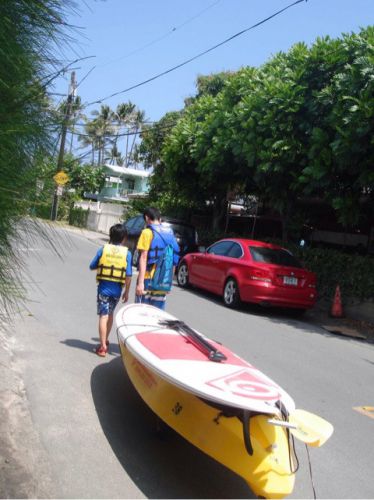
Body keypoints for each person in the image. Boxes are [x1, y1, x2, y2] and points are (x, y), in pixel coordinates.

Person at [89, 224, 132, 357]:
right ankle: (105, 340)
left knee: (103, 315)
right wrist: (126, 292)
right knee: (110, 314)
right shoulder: (127, 253)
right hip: (117, 291)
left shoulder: (103, 249)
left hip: (103, 290)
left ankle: (102, 347)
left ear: (110, 236)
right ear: (124, 238)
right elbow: (129, 275)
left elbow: (92, 266)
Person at [135, 207, 179, 310]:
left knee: (140, 313)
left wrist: (140, 283)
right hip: (162, 281)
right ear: (159, 218)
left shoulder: (147, 232)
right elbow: (174, 259)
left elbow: (143, 257)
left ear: (146, 218)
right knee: (156, 316)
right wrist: (169, 283)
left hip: (147, 279)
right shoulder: (170, 233)